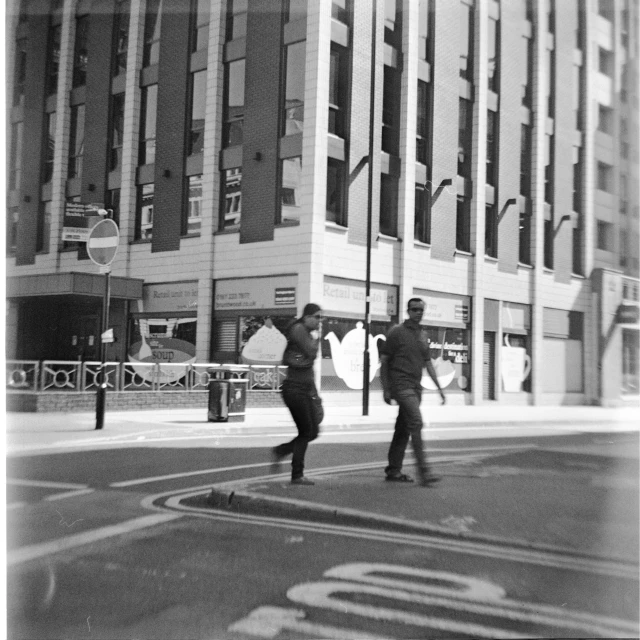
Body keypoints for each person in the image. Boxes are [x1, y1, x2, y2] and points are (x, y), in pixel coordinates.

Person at [380, 297, 446, 486]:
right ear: (408, 311)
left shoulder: (422, 335)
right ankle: (424, 473)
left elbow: (428, 363)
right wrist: (386, 389)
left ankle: (393, 470)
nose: (418, 312)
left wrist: (439, 388)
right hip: (401, 386)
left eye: (421, 310)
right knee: (416, 422)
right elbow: (384, 363)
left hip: (416, 388)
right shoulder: (396, 333)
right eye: (415, 309)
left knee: (403, 428)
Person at [271, 303, 323, 485]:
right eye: (316, 317)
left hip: (304, 389)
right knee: (306, 431)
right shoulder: (299, 329)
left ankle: (282, 450)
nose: (319, 321)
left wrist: (316, 396)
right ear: (307, 316)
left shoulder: (306, 333)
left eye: (320, 317)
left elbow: (309, 367)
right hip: (294, 390)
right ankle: (297, 474)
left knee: (313, 431)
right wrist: (316, 339)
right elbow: (311, 352)